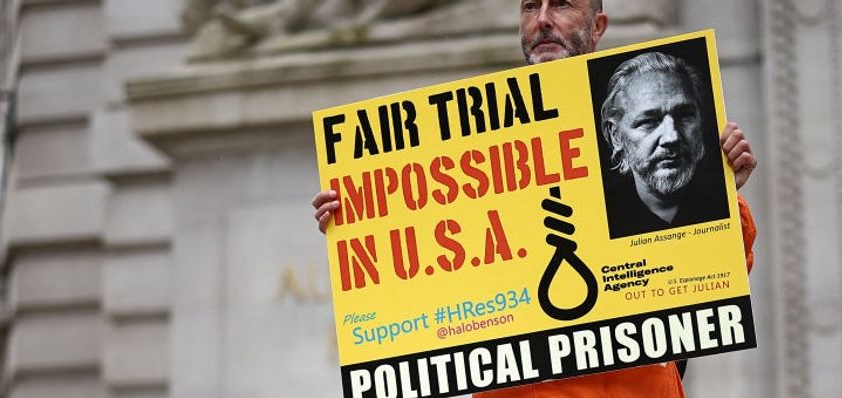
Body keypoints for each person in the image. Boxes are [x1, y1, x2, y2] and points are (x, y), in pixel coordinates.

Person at [310, 1, 758, 397]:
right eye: (529, 7)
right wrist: (358, 219)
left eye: (561, 4)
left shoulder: (650, 143)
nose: (542, 20)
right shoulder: (470, 146)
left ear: (597, 25)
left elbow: (711, 283)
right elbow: (421, 282)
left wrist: (721, 194)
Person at [600, 51, 730, 238]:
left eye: (684, 116)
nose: (671, 137)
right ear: (615, 135)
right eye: (649, 121)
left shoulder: (724, 202)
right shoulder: (600, 220)